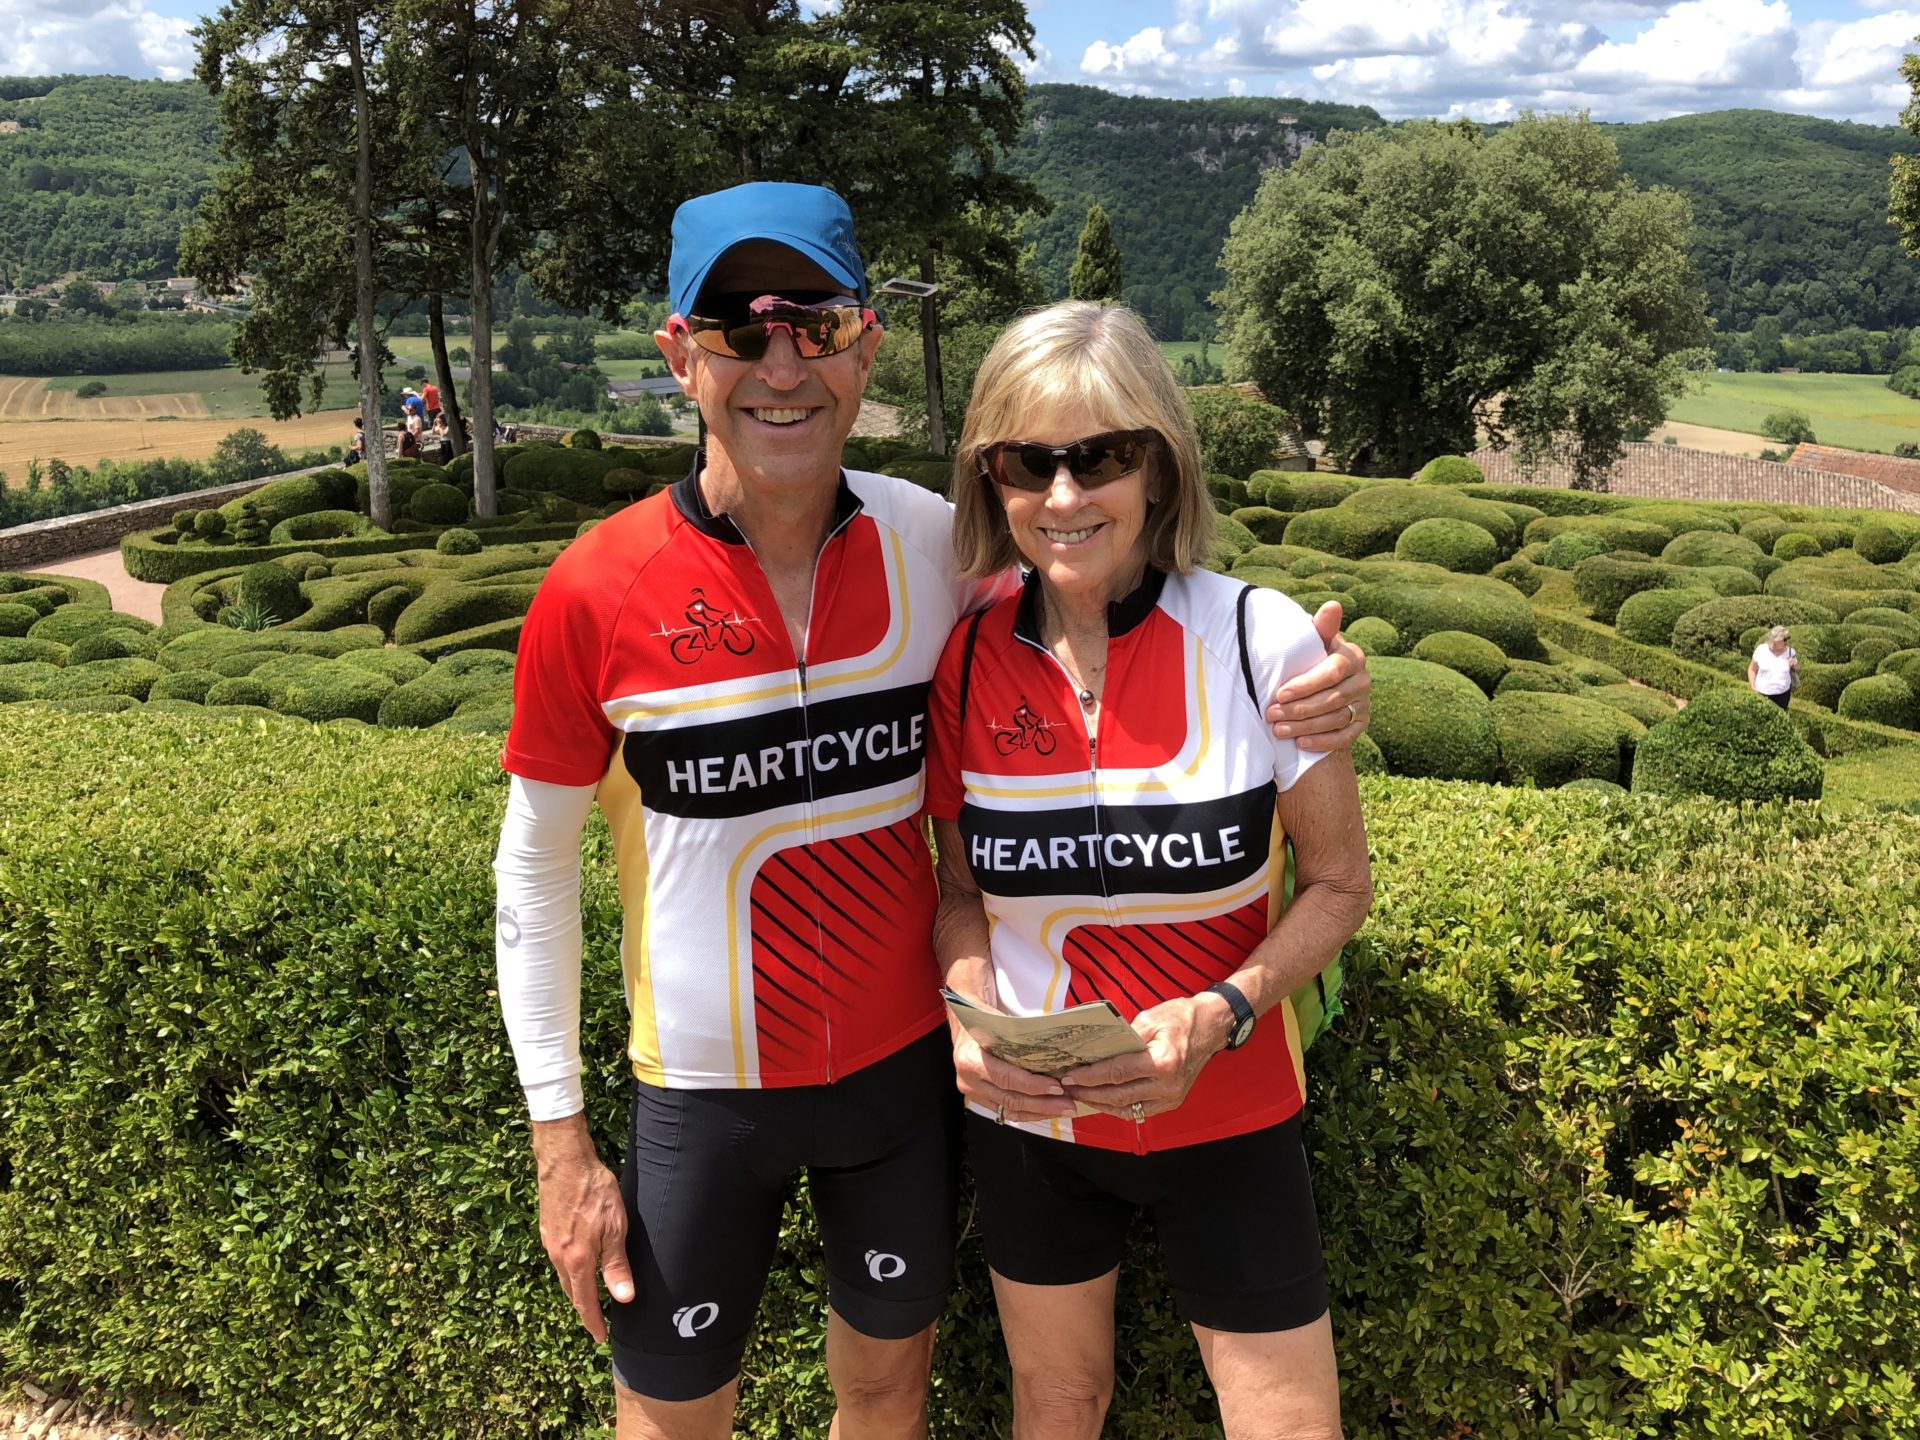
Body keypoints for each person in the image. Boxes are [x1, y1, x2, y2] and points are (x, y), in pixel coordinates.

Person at [493, 182, 1374, 1440]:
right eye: (743, 329)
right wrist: (559, 1145)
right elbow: (530, 874)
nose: (781, 360)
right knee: (671, 1420)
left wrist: (1331, 682)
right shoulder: (595, 590)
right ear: (680, 353)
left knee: (890, 1397)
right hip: (708, 1092)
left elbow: (1124, 593)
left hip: (903, 1090)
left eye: (816, 321)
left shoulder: (931, 556)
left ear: (865, 345)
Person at [924, 301, 1373, 1440]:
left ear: (1161, 470)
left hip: (1228, 1106)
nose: (1065, 497)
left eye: (1103, 457)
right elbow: (963, 895)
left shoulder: (1261, 640)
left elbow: (1338, 886)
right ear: (994, 482)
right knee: (1059, 1407)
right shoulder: (967, 656)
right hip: (1039, 1122)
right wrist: (974, 1020)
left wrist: (1224, 1011)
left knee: (1287, 1423)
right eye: (1030, 462)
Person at [1749, 624, 1798, 710]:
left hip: (1782, 694)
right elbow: (1752, 669)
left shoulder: (1790, 652)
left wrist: (1794, 664)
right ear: (1775, 641)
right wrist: (1753, 687)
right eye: (1784, 639)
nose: (1787, 642)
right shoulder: (1761, 650)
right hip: (1762, 693)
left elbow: (1797, 669)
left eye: (1788, 638)